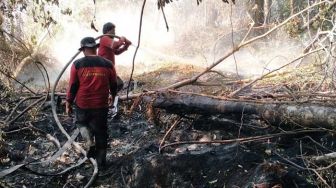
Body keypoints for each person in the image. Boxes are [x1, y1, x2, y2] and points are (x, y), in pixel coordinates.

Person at [65, 36, 117, 169]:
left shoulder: (77, 64)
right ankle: (101, 163)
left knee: (81, 123)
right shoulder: (108, 64)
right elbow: (114, 83)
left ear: (83, 49)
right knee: (101, 132)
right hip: (101, 105)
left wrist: (68, 102)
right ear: (96, 47)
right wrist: (113, 95)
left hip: (83, 104)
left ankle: (88, 141)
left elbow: (73, 85)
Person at [98, 22, 131, 91]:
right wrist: (123, 39)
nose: (115, 33)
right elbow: (116, 45)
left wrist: (126, 46)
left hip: (109, 68)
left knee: (118, 85)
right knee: (113, 85)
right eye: (113, 31)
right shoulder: (104, 38)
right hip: (104, 68)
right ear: (108, 31)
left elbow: (117, 51)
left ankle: (112, 98)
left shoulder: (109, 41)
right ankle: (110, 98)